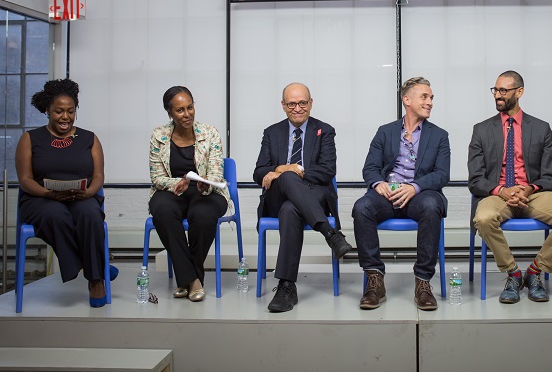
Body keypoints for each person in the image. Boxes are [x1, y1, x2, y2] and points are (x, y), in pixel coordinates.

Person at [468, 71, 552, 303]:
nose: (497, 96)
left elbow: (551, 177)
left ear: (519, 92)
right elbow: (476, 179)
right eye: (495, 90)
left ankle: (535, 271)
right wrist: (503, 190)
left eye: (503, 91)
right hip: (498, 194)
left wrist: (527, 189)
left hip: (533, 194)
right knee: (484, 218)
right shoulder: (481, 130)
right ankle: (513, 273)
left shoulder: (541, 128)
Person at [15, 78, 116, 308]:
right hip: (41, 198)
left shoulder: (89, 138)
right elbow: (25, 180)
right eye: (59, 111)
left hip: (81, 196)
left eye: (70, 111)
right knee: (56, 215)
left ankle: (95, 280)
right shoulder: (30, 139)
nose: (65, 117)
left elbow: (98, 176)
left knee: (90, 215)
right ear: (47, 111)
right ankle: (95, 269)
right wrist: (48, 193)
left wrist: (89, 191)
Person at [253, 82, 352, 313]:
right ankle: (331, 234)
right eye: (291, 104)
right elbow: (259, 172)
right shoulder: (272, 132)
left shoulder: (324, 130)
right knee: (286, 180)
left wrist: (297, 171)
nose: (297, 108)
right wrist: (283, 169)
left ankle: (287, 286)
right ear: (283, 106)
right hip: (277, 195)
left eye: (302, 103)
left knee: (290, 208)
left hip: (314, 192)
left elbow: (328, 170)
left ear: (311, 103)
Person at [353, 77, 450, 311]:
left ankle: (423, 283)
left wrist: (414, 187)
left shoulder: (439, 135)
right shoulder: (385, 132)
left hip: (420, 195)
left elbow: (442, 174)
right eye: (424, 97)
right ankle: (374, 279)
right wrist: (378, 183)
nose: (430, 102)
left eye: (431, 98)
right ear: (407, 100)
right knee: (361, 207)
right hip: (389, 194)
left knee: (430, 206)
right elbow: (370, 168)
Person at [148, 86, 229, 303]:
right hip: (172, 191)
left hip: (205, 191)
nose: (187, 114)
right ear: (169, 113)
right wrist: (179, 182)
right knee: (163, 211)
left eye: (190, 108)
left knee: (203, 215)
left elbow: (215, 172)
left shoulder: (209, 133)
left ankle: (185, 279)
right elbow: (156, 177)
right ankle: (193, 280)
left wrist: (205, 184)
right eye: (180, 110)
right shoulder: (159, 135)